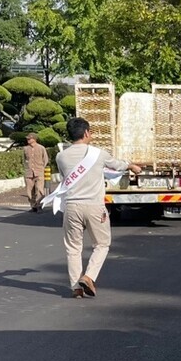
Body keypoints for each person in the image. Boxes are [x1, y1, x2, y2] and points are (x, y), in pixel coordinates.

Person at [46, 117, 141, 298]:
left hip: (72, 206)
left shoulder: (61, 156)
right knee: (102, 244)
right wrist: (131, 165)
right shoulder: (98, 153)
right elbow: (117, 164)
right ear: (87, 133)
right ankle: (89, 276)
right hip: (95, 206)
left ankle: (76, 287)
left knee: (73, 247)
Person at [22, 131, 48, 212]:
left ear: (34, 139)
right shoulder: (25, 149)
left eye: (30, 139)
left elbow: (45, 159)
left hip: (39, 172)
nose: (28, 140)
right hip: (28, 172)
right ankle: (33, 205)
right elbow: (23, 160)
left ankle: (39, 205)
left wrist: (42, 168)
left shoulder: (41, 148)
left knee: (39, 189)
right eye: (28, 139)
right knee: (29, 191)